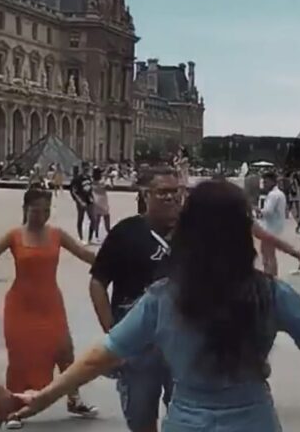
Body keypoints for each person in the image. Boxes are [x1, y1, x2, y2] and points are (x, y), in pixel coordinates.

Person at [9, 180, 300, 430]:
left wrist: (44, 395)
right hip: (253, 419)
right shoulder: (269, 293)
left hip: (188, 421)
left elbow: (100, 356)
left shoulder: (163, 298)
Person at [0, 188, 97, 429]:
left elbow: (85, 254)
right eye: (36, 210)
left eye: (46, 210)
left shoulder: (57, 235)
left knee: (65, 350)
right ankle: (12, 409)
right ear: (25, 209)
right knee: (20, 357)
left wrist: (116, 262)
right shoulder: (14, 236)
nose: (41, 215)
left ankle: (74, 398)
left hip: (50, 302)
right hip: (20, 306)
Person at [89, 167, 181, 432]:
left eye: (176, 192)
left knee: (188, 416)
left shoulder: (194, 235)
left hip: (182, 345)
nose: (171, 198)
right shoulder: (125, 233)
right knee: (140, 419)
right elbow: (98, 282)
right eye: (163, 192)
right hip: (137, 346)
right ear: (145, 194)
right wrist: (112, 334)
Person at [256, 172, 287, 277]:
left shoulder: (273, 195)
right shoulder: (280, 194)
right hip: (276, 227)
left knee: (268, 254)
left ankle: (271, 276)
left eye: (266, 182)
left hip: (270, 228)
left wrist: (257, 210)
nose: (264, 184)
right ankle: (271, 275)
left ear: (273, 182)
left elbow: (268, 211)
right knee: (268, 253)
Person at [69, 164, 94, 245]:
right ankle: (81, 237)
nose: (87, 170)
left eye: (88, 168)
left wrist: (92, 197)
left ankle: (90, 238)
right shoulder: (77, 179)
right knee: (81, 218)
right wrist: (80, 201)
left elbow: (90, 188)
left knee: (93, 219)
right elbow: (74, 191)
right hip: (81, 200)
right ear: (82, 168)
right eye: (85, 168)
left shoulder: (89, 178)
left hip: (89, 200)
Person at [91, 167, 112, 241]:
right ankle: (109, 233)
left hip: (97, 201)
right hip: (102, 201)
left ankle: (96, 235)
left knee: (98, 219)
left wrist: (106, 176)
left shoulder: (93, 182)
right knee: (106, 218)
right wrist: (108, 179)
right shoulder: (99, 182)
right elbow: (107, 187)